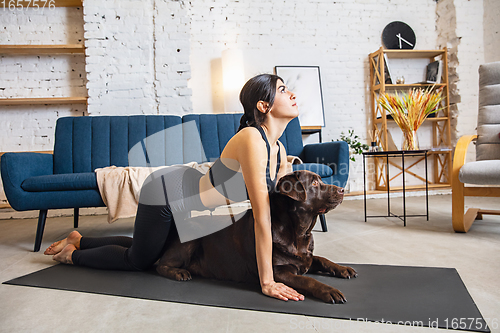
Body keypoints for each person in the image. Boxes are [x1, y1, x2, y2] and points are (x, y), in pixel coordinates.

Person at [44, 74, 304, 302]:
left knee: (152, 247)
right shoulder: (251, 139)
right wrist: (267, 281)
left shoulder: (279, 151)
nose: (292, 93)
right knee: (139, 260)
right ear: (263, 105)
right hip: (166, 194)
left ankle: (79, 240)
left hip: (184, 200)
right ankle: (72, 255)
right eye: (282, 90)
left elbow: (278, 207)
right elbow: (262, 217)